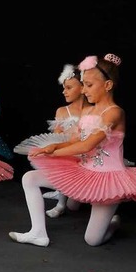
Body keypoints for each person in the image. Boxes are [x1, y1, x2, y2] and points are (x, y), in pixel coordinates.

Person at [9, 54, 136, 247]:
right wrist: (54, 145)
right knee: (30, 178)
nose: (84, 90)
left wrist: (53, 153)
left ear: (108, 85)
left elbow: (88, 144)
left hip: (108, 179)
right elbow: (76, 139)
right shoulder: (88, 111)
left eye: (89, 85)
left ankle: (113, 224)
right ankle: (38, 233)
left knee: (92, 240)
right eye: (84, 84)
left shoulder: (115, 112)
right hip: (84, 170)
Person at [14, 64, 90, 217]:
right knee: (61, 163)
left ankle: (76, 198)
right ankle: (60, 203)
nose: (64, 91)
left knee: (74, 206)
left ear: (82, 88)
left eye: (69, 88)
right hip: (67, 153)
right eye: (64, 87)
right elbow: (56, 137)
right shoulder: (63, 111)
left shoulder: (93, 111)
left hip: (87, 155)